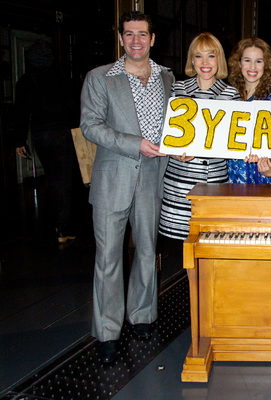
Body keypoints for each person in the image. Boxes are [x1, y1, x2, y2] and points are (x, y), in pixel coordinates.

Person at [80, 11, 175, 363]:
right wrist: (133, 142)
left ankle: (143, 315)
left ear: (153, 39)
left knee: (148, 250)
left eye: (142, 34)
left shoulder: (167, 77)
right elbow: (90, 126)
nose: (136, 40)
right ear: (121, 38)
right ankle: (107, 332)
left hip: (153, 175)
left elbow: (175, 125)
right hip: (113, 176)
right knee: (108, 258)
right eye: (129, 34)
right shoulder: (100, 77)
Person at [158, 32, 240, 241]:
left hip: (214, 183)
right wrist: (174, 153)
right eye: (199, 56)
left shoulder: (231, 94)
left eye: (211, 56)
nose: (205, 62)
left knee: (210, 244)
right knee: (180, 251)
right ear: (191, 60)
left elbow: (235, 141)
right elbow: (165, 134)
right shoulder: (177, 90)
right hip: (180, 182)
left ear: (218, 60)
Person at [14, 40, 80, 243]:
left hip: (40, 135)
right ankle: (62, 226)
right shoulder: (61, 79)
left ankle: (55, 222)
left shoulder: (25, 82)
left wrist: (18, 140)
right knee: (64, 180)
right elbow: (75, 108)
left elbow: (20, 113)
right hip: (63, 132)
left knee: (51, 178)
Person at [227, 37, 271, 183]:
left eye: (259, 61)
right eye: (247, 60)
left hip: (261, 179)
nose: (252, 67)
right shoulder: (227, 97)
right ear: (238, 63)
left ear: (266, 65)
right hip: (230, 178)